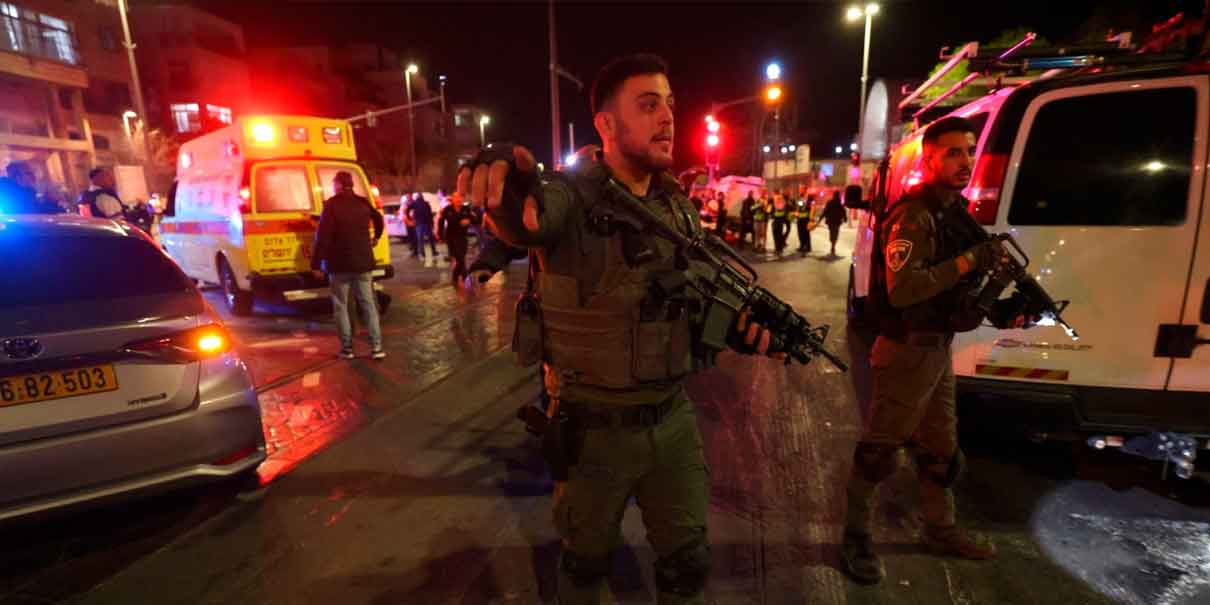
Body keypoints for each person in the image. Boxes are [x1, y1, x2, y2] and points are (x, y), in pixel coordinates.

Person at [460, 54, 783, 605]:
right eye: (648, 105)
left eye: (670, 104)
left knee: (688, 564)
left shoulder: (676, 207)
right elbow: (528, 218)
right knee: (585, 569)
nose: (667, 117)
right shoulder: (572, 195)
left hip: (672, 419)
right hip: (594, 430)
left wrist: (737, 328)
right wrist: (506, 180)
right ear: (606, 126)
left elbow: (698, 294)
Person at [840, 116, 1038, 585]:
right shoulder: (914, 215)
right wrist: (970, 260)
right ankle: (855, 534)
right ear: (928, 159)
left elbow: (959, 285)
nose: (964, 161)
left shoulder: (955, 214)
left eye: (969, 151)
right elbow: (906, 289)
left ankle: (940, 528)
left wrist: (1001, 302)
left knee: (940, 448)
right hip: (906, 352)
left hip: (936, 351)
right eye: (952, 152)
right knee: (880, 450)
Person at [311, 171, 387, 361]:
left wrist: (316, 264)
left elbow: (322, 238)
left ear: (337, 185)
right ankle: (377, 347)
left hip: (339, 266)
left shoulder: (331, 205)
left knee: (341, 306)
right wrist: (376, 237)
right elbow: (378, 218)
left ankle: (347, 349)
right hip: (363, 263)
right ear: (351, 185)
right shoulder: (362, 202)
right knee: (368, 305)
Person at [438, 193, 477, 286]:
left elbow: (475, 220)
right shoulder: (447, 210)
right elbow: (441, 222)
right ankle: (466, 278)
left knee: (461, 258)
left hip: (463, 237)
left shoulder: (466, 209)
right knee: (460, 258)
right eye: (456, 198)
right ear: (452, 199)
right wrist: (440, 235)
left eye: (460, 198)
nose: (459, 200)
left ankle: (455, 276)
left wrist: (469, 221)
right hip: (451, 237)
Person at [406, 192, 439, 261]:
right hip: (426, 223)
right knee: (430, 238)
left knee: (420, 239)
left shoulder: (415, 203)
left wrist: (410, 218)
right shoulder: (426, 203)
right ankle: (432, 251)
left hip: (420, 223)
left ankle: (421, 253)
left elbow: (407, 210)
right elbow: (429, 214)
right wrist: (431, 223)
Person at [822, 190, 847, 257]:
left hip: (830, 221)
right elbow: (843, 211)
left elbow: (825, 211)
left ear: (833, 195)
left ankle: (832, 244)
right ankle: (833, 244)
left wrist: (821, 218)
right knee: (835, 233)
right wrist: (845, 219)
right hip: (837, 222)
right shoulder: (839, 203)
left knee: (832, 233)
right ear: (838, 196)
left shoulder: (829, 202)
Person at [770, 191, 790, 256]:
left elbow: (780, 208)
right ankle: (777, 248)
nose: (776, 199)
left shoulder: (782, 203)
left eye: (777, 198)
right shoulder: (774, 202)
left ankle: (779, 248)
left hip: (779, 220)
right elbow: (770, 210)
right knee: (776, 234)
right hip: (775, 220)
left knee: (778, 234)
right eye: (775, 198)